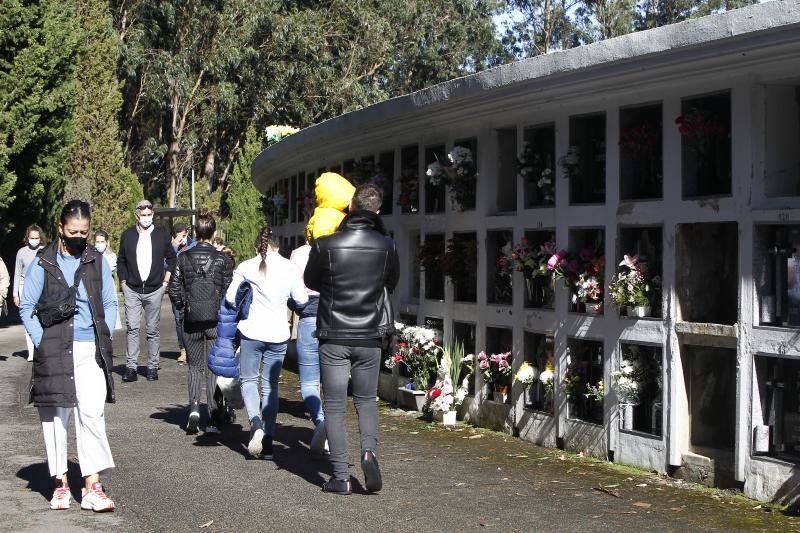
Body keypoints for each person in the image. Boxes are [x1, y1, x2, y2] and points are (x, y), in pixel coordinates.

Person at [19, 199, 117, 512]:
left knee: (92, 415)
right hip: (55, 349)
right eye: (73, 231)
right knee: (55, 418)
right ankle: (60, 483)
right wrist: (41, 341)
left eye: (84, 232)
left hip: (90, 350)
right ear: (61, 228)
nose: (78, 236)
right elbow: (26, 307)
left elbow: (109, 302)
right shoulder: (42, 262)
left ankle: (92, 485)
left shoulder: (96, 261)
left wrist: (106, 332)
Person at [304, 182, 399, 495]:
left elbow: (310, 280)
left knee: (333, 404)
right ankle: (369, 453)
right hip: (369, 335)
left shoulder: (326, 245)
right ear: (377, 211)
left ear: (350, 207)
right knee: (366, 401)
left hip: (333, 333)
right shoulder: (387, 246)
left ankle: (341, 476)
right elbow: (392, 282)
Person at [227, 226, 307, 459]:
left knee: (249, 380)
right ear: (279, 245)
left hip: (251, 331)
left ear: (257, 246)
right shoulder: (289, 267)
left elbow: (231, 298)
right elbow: (301, 299)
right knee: (270, 384)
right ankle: (269, 438)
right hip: (278, 333)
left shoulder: (245, 267)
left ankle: (256, 423)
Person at [168, 209, 233, 435]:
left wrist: (184, 305)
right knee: (212, 368)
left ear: (195, 233)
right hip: (215, 320)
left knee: (194, 366)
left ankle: (194, 410)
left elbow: (173, 289)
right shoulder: (223, 259)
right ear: (214, 233)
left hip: (191, 319)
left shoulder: (183, 257)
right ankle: (214, 414)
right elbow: (229, 291)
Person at [117, 200, 177, 382]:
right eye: (143, 215)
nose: (146, 218)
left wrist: (165, 282)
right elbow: (121, 260)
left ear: (153, 215)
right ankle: (131, 367)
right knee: (133, 328)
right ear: (137, 215)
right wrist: (123, 281)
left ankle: (152, 366)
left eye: (149, 215)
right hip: (132, 289)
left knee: (152, 329)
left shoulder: (162, 235)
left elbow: (172, 259)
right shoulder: (127, 235)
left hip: (155, 289)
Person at [290, 242, 327, 454]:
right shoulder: (339, 247)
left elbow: (292, 294)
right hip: (334, 318)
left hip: (308, 316)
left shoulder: (298, 254)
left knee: (309, 381)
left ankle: (320, 421)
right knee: (333, 380)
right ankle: (331, 429)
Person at [14, 225, 45, 361]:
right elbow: (17, 273)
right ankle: (31, 352)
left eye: (36, 238)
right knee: (28, 318)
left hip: (41, 286)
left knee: (42, 318)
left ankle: (42, 347)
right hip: (24, 286)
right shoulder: (21, 252)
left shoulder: (45, 251)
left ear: (41, 238)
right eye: (32, 238)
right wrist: (15, 293)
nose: (34, 240)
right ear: (27, 238)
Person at [171, 222, 194, 364]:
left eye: (185, 234)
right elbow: (166, 265)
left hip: (190, 287)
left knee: (190, 319)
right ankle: (183, 350)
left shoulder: (193, 245)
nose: (183, 237)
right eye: (180, 235)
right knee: (179, 320)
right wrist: (173, 248)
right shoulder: (170, 247)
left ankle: (192, 349)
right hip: (176, 288)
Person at [94, 230, 122, 331]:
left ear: (107, 242)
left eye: (102, 242)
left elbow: (107, 270)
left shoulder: (111, 256)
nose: (99, 244)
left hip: (106, 287)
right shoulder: (89, 255)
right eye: (97, 242)